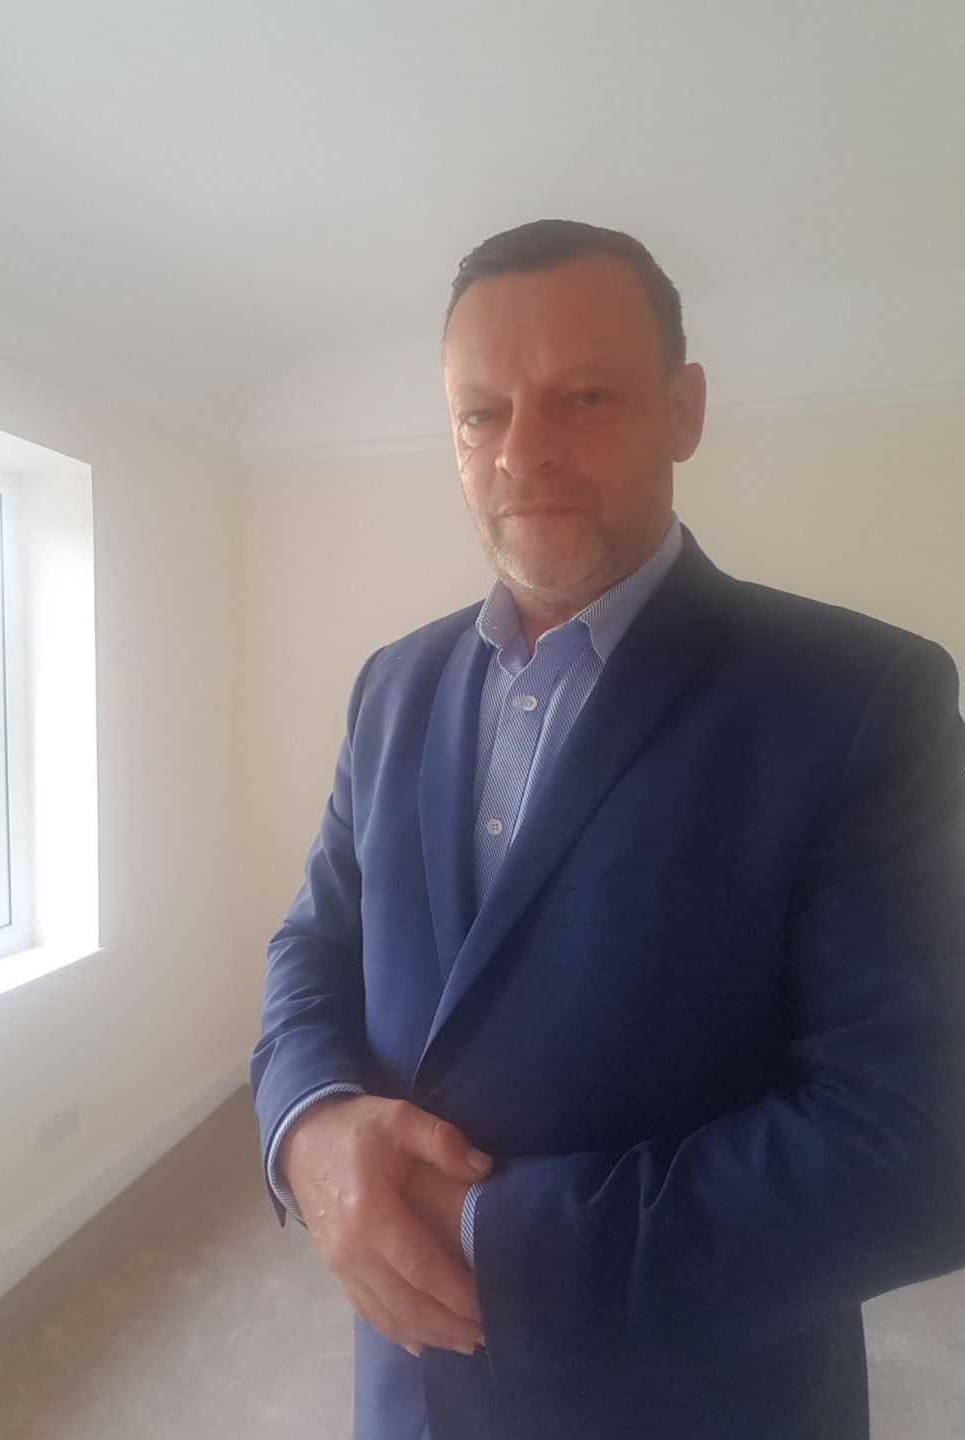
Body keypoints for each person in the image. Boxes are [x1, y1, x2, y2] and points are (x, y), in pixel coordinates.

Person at [249, 219, 965, 1440]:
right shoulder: (390, 686)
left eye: (585, 398)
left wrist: (493, 1236)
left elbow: (915, 1140)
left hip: (691, 1398)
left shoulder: (860, 698)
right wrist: (306, 1126)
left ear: (684, 411)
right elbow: (314, 946)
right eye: (481, 414)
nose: (523, 450)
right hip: (407, 1389)